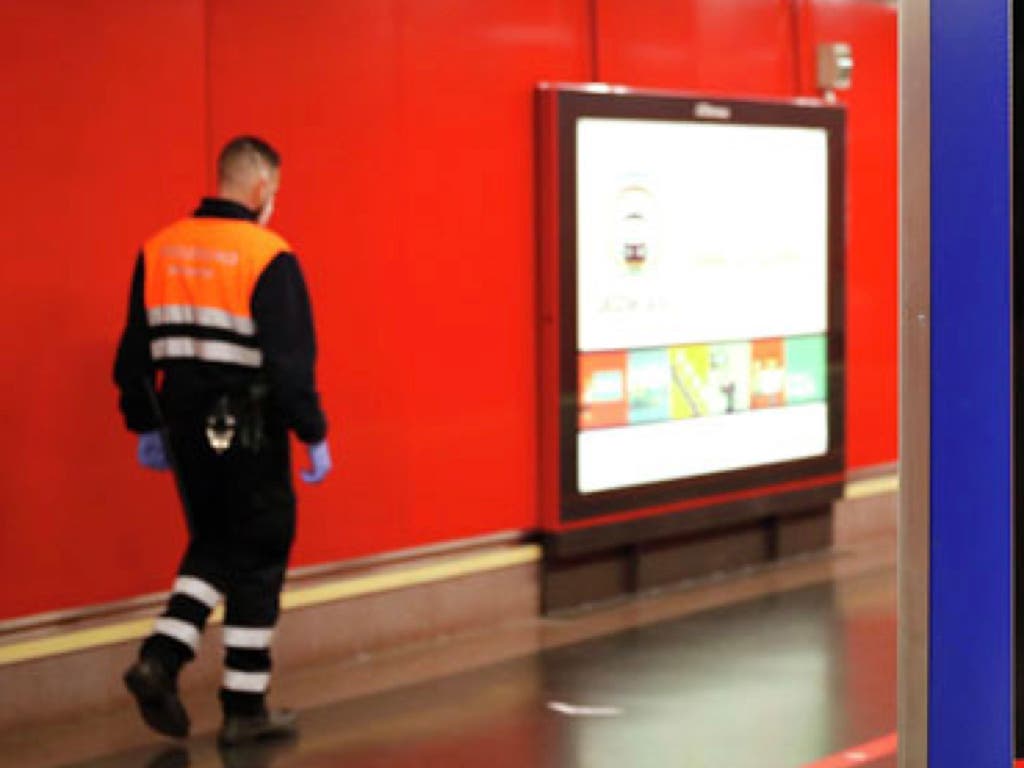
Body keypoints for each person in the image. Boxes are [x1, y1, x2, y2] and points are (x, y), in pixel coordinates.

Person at [113, 136, 332, 747]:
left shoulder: (159, 249)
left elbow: (132, 354)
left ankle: (160, 658)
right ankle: (243, 706)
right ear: (261, 188)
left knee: (215, 543)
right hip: (252, 428)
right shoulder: (268, 256)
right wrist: (312, 433)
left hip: (185, 428)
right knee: (261, 549)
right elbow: (291, 364)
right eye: (276, 193)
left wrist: (145, 425)